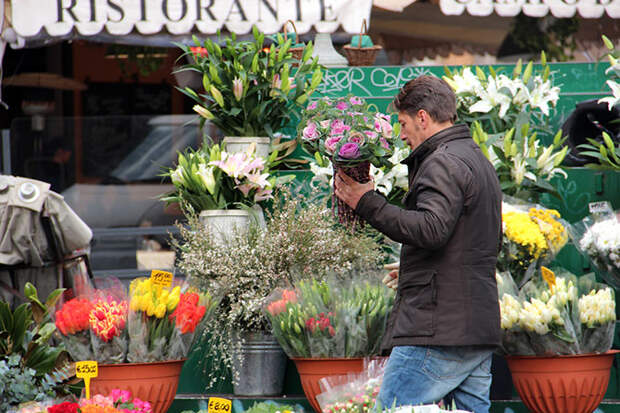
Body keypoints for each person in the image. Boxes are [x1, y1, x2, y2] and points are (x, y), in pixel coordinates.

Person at [334, 75, 502, 413]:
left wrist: (367, 202)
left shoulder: (442, 161)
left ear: (422, 117)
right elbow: (473, 240)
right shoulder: (476, 159)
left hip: (436, 330)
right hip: (476, 329)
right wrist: (417, 267)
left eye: (403, 122)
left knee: (393, 409)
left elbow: (431, 229)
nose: (401, 133)